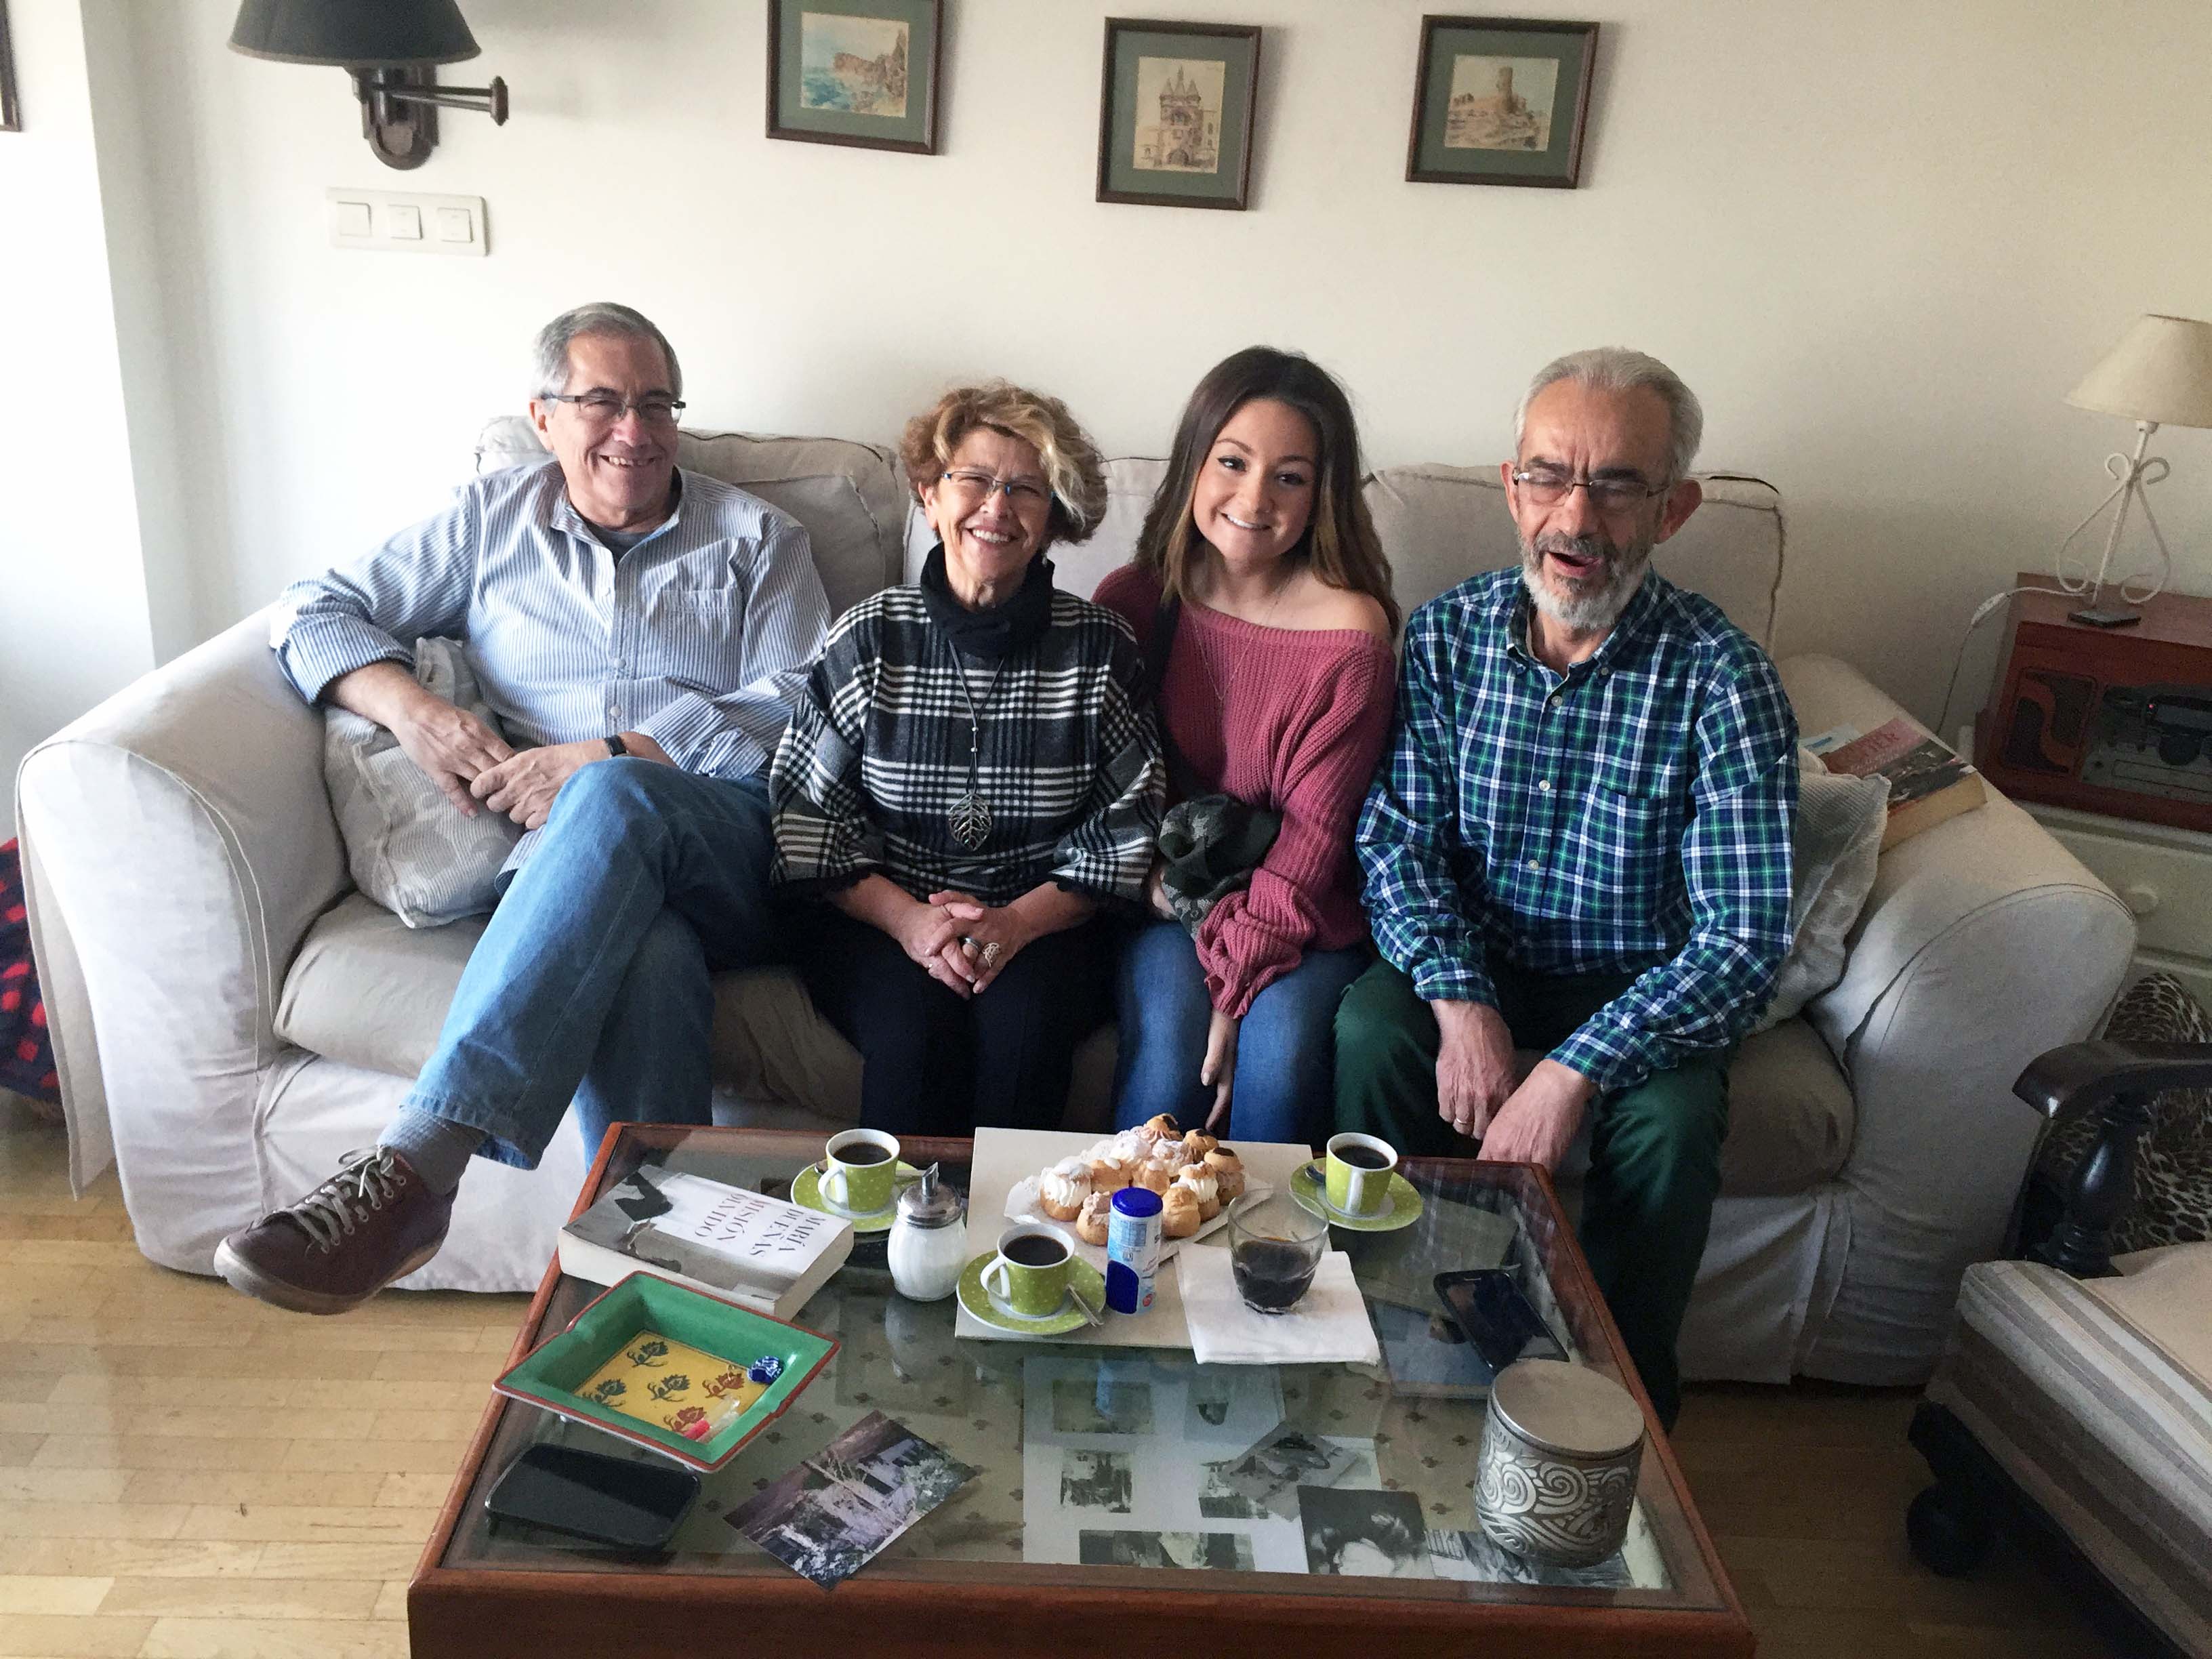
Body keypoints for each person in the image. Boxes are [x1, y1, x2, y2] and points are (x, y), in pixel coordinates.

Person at [216, 302, 830, 1314]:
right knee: (646, 953)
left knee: (615, 792)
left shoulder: (759, 539)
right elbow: (310, 609)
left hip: (732, 841)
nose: (634, 431)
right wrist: (413, 712)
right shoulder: (486, 523)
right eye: (602, 402)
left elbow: (806, 702)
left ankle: (416, 1167)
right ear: (543, 417)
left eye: (656, 405)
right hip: (574, 878)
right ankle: (648, 1288)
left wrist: (616, 753)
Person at [1335, 347, 1797, 1429]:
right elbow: (1398, 843)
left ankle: (1614, 1410)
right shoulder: (1446, 637)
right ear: (1513, 488)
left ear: (1673, 509)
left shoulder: (1724, 679)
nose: (1576, 517)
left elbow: (1742, 938)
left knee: (1672, 1127)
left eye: (1618, 485)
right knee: (1370, 1030)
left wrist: (1573, 1069)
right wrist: (1462, 1004)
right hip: (1476, 961)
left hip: (1640, 989)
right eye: (1549, 476)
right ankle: (1375, 1345)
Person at [771, 382, 1162, 1135]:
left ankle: (1012, 1217)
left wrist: (1014, 923)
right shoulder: (868, 637)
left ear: (1054, 517)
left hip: (1047, 923)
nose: (997, 507)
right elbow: (807, 820)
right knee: (913, 1035)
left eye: (1025, 489)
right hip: (881, 917)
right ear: (929, 496)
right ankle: (896, 1217)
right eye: (974, 479)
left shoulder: (1100, 649)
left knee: (1025, 1034)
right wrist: (912, 924)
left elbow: (1125, 830)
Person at [1094, 348, 1397, 1144]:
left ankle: (1267, 1233)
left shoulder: (1350, 635)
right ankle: (1125, 1229)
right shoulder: (1134, 602)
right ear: (1195, 462)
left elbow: (1315, 837)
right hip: (1171, 903)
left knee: (1279, 1057)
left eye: (1290, 477)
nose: (1255, 498)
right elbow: (1103, 792)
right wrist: (1164, 896)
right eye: (1233, 462)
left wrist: (1239, 979)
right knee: (1173, 1052)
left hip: (1301, 911)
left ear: (1321, 496)